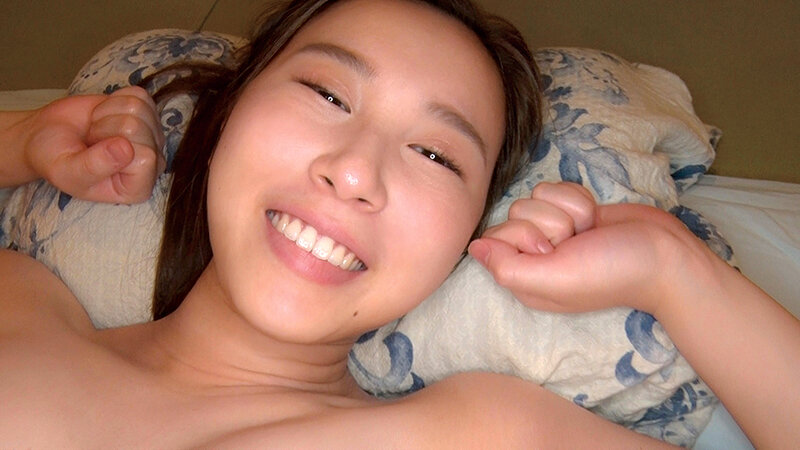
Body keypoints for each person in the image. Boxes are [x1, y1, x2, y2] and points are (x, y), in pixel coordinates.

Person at [0, 0, 798, 447]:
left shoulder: (483, 433)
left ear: (461, 240)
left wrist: (673, 268)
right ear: (225, 116)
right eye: (328, 94)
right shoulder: (23, 303)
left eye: (435, 154)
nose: (355, 170)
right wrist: (24, 142)